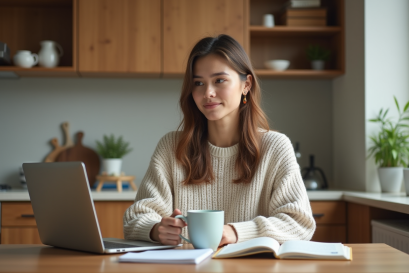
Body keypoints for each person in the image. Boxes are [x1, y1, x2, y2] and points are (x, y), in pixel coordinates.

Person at [123, 34, 316, 246]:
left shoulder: (275, 147)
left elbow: (300, 223)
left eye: (219, 80)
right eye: (198, 83)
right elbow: (135, 218)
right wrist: (155, 229)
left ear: (246, 85)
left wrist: (236, 232)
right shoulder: (171, 147)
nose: (208, 93)